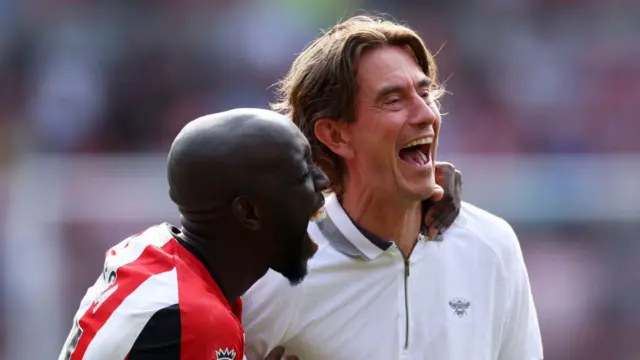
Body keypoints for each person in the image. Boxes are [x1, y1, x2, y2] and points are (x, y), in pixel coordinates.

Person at [241, 15, 544, 360]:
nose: (426, 114)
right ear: (336, 135)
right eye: (393, 100)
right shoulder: (278, 273)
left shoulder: (492, 245)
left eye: (425, 93)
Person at [58, 108, 329, 360]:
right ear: (248, 212)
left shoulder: (149, 247)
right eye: (303, 173)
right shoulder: (197, 321)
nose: (322, 181)